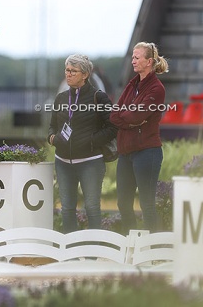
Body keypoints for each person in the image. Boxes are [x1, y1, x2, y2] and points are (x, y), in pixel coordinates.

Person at [48, 54, 117, 233]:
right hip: (63, 162)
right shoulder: (61, 98)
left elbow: (112, 127)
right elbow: (51, 126)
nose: (68, 74)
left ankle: (92, 252)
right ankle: (69, 252)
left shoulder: (98, 97)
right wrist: (52, 138)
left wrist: (91, 141)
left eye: (73, 71)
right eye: (67, 70)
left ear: (85, 74)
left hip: (91, 162)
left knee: (92, 208)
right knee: (67, 208)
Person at [110, 42, 169, 233]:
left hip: (147, 152)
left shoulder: (156, 88)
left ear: (148, 61)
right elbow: (114, 114)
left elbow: (137, 115)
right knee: (123, 204)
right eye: (133, 57)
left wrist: (128, 117)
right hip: (126, 153)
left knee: (147, 204)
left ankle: (152, 250)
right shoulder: (132, 84)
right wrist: (130, 119)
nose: (133, 61)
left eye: (137, 58)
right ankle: (131, 245)